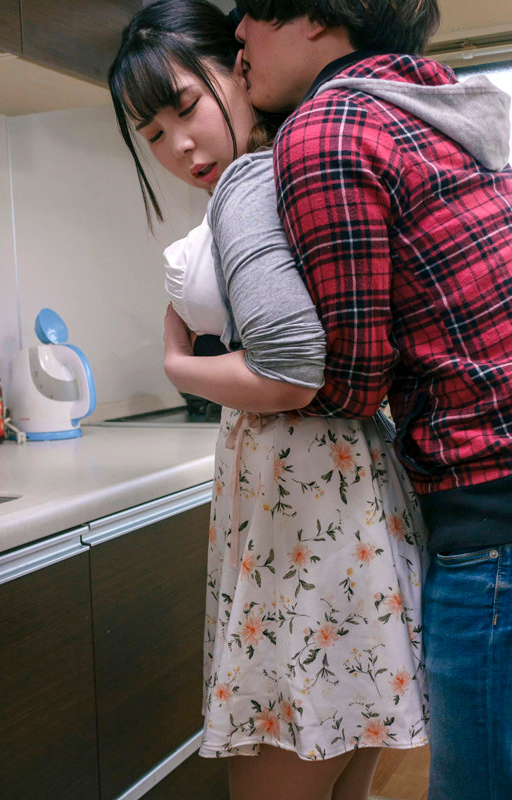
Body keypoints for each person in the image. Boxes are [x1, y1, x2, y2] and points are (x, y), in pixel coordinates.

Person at [108, 3, 430, 798]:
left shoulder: (254, 179)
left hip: (305, 512)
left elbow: (289, 375)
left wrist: (178, 367)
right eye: (153, 133)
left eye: (186, 106)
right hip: (345, 499)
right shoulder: (296, 170)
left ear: (240, 67)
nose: (178, 146)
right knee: (344, 782)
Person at [233, 2, 512, 799]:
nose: (239, 38)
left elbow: (350, 377)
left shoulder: (325, 128)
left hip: (489, 508)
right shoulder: (438, 106)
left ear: (316, 17)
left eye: (252, 15)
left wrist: (190, 364)